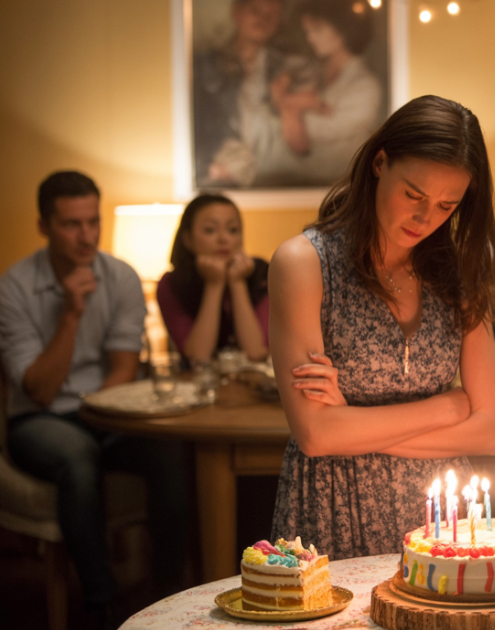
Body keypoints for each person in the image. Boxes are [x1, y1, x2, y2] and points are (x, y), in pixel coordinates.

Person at [268, 95, 495, 559]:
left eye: (446, 205)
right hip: (334, 506)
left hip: (438, 519)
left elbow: (490, 432)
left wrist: (351, 425)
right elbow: (316, 436)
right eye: (413, 195)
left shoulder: (458, 275)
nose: (425, 218)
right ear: (380, 163)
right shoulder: (304, 263)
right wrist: (446, 407)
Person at [0, 172, 189, 630]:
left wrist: (101, 416)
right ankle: (100, 606)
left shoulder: (120, 276)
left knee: (171, 450)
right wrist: (71, 313)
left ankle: (170, 599)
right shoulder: (14, 287)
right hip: (38, 419)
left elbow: (124, 369)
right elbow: (39, 390)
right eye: (70, 225)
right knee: (77, 456)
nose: (86, 236)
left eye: (92, 222)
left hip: (104, 410)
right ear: (44, 226)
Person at [258, 0, 383, 186]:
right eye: (307, 31)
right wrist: (295, 105)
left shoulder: (365, 86)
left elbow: (301, 140)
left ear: (342, 30)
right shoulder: (304, 72)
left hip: (340, 188)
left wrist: (290, 105)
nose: (310, 38)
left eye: (317, 30)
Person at [157, 193, 269, 364]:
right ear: (187, 239)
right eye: (210, 230)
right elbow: (197, 356)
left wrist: (237, 282)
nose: (223, 239)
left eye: (232, 230)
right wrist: (214, 284)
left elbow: (256, 352)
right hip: (196, 386)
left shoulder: (262, 275)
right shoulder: (171, 284)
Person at [193, 0, 287, 187]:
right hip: (221, 177)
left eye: (272, 13)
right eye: (255, 10)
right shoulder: (204, 65)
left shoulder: (286, 69)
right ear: (236, 12)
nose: (263, 19)